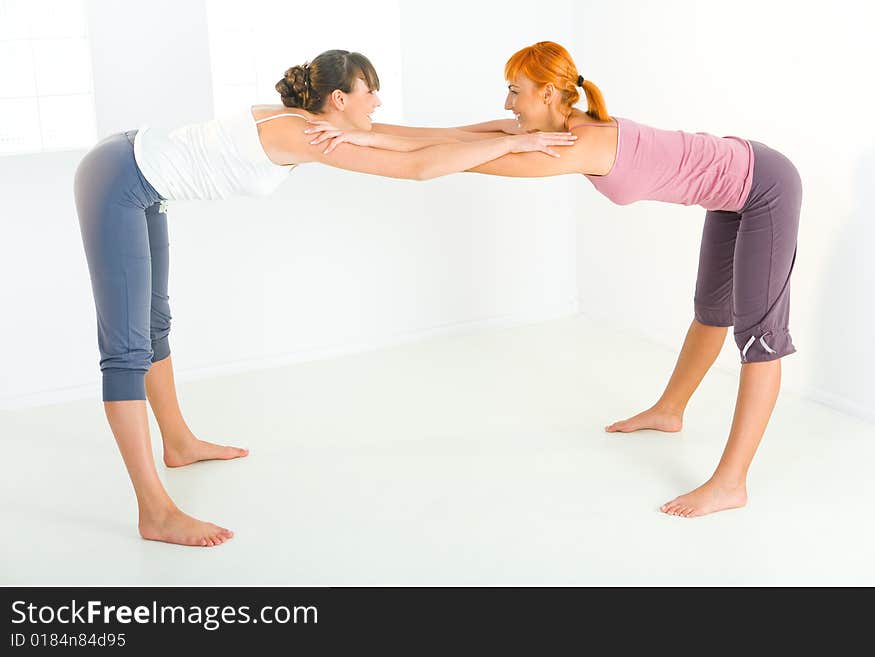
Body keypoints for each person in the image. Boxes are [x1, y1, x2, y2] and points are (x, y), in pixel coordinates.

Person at [73, 49, 576, 548]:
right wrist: (514, 144)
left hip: (138, 172)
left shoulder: (315, 121)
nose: (377, 102)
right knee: (126, 351)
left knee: (155, 323)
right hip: (120, 179)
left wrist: (507, 132)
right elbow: (419, 166)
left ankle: (179, 444)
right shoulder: (305, 133)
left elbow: (415, 138)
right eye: (370, 91)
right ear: (338, 98)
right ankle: (155, 512)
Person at [308, 41, 802, 518]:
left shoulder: (581, 145)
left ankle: (730, 483)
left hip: (765, 187)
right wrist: (366, 133)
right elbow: (451, 137)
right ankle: (670, 410)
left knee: (759, 337)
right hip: (732, 187)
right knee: (712, 311)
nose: (508, 102)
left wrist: (363, 143)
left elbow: (461, 161)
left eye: (515, 90)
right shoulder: (562, 130)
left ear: (547, 94)